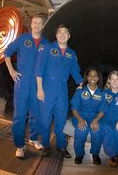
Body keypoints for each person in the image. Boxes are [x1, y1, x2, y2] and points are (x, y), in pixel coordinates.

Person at [35, 24, 83, 157]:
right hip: (47, 89)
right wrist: (39, 89)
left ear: (69, 36)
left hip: (62, 91)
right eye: (60, 32)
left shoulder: (71, 54)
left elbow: (75, 72)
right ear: (56, 35)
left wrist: (81, 84)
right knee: (45, 119)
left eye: (65, 32)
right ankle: (46, 145)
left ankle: (61, 146)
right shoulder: (47, 48)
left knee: (61, 119)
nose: (62, 35)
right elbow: (38, 70)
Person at [4, 14, 46, 158]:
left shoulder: (46, 43)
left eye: (40, 23)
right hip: (22, 83)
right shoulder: (22, 39)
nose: (37, 25)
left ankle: (33, 139)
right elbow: (7, 53)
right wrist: (11, 71)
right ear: (31, 24)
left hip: (38, 84)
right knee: (20, 116)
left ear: (43, 26)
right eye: (35, 22)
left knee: (36, 114)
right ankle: (20, 146)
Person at [70, 68, 106, 165]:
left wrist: (96, 120)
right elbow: (74, 108)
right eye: (90, 75)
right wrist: (80, 119)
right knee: (81, 130)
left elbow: (102, 110)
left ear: (98, 78)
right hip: (80, 115)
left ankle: (95, 154)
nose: (92, 78)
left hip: (95, 116)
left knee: (97, 131)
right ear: (87, 77)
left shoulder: (102, 93)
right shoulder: (80, 90)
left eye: (95, 76)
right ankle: (79, 154)